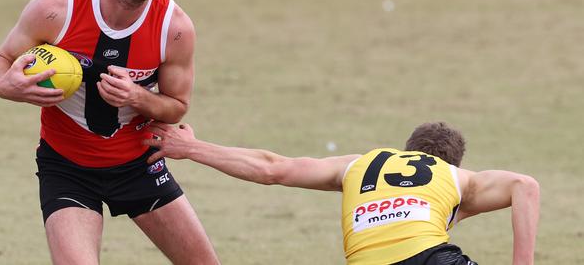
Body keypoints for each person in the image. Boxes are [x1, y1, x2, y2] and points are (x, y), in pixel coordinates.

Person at [0, 0, 220, 265]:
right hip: (67, 168)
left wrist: (137, 96)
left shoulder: (174, 28)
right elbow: (1, 59)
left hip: (139, 165)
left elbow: (176, 106)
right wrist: (6, 85)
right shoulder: (56, 8)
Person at [145, 121, 540, 265]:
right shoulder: (461, 179)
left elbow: (272, 168)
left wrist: (193, 149)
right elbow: (525, 185)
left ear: (403, 151)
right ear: (452, 163)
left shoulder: (359, 163)